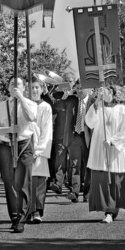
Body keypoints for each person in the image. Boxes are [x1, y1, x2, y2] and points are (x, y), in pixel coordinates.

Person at [0, 77, 37, 233]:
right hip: (6, 146)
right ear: (8, 88)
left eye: (18, 85)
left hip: (24, 144)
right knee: (9, 183)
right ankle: (14, 216)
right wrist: (8, 130)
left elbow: (31, 117)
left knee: (22, 182)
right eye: (12, 84)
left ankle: (21, 218)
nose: (14, 87)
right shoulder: (1, 106)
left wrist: (21, 99)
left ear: (24, 87)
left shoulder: (30, 104)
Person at [85, 86, 125, 224]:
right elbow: (89, 122)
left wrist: (112, 141)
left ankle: (111, 212)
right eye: (99, 90)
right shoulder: (97, 107)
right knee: (103, 181)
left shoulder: (122, 109)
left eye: (103, 90)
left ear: (111, 93)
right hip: (100, 149)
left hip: (115, 151)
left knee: (114, 181)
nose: (100, 93)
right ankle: (108, 210)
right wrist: (95, 103)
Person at [49, 72, 81, 200]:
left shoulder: (77, 96)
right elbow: (53, 108)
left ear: (73, 83)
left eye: (71, 81)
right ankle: (58, 183)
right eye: (66, 80)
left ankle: (74, 190)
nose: (69, 83)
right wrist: (62, 97)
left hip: (74, 135)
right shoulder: (58, 95)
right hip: (60, 134)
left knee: (74, 163)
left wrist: (73, 94)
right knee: (60, 160)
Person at [29, 76, 53, 224]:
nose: (34, 90)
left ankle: (37, 210)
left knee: (39, 180)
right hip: (25, 147)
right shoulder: (23, 104)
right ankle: (27, 210)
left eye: (37, 87)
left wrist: (39, 149)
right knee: (27, 180)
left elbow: (47, 130)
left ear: (42, 89)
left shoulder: (45, 107)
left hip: (39, 147)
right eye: (31, 88)